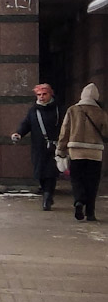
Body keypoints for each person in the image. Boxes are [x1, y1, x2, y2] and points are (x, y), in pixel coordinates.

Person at [55, 83, 108, 222]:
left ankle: (79, 200)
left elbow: (64, 131)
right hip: (95, 153)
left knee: (77, 179)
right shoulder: (101, 113)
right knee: (92, 182)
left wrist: (60, 149)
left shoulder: (72, 110)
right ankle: (90, 213)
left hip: (76, 152)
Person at [12, 82, 62, 210]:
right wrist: (19, 133)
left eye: (44, 94)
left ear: (50, 94)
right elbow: (26, 124)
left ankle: (47, 196)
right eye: (39, 94)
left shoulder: (58, 109)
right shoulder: (33, 110)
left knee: (51, 172)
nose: (41, 97)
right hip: (39, 147)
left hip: (54, 146)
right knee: (40, 172)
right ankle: (46, 193)